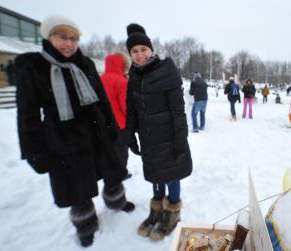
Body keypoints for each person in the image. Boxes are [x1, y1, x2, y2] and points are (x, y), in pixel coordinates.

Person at [15, 15, 134, 247]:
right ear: (48, 37)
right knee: (77, 188)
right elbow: (27, 115)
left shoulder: (86, 64)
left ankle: (117, 202)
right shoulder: (33, 66)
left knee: (112, 174)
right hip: (63, 140)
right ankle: (86, 225)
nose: (68, 43)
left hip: (97, 133)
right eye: (62, 37)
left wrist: (112, 130)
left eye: (73, 38)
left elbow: (102, 101)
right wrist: (34, 151)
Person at [124, 23, 192, 241]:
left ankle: (171, 214)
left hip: (170, 138)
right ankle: (156, 212)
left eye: (143, 49)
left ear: (151, 50)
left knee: (171, 177)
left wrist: (181, 139)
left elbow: (178, 111)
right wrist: (130, 134)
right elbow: (131, 108)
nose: (139, 54)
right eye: (134, 51)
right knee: (155, 177)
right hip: (148, 139)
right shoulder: (134, 75)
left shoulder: (167, 70)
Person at [100, 53, 132, 179]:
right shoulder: (122, 81)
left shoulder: (100, 78)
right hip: (120, 124)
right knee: (121, 151)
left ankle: (107, 170)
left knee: (109, 149)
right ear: (123, 64)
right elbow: (126, 107)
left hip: (104, 123)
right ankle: (121, 173)